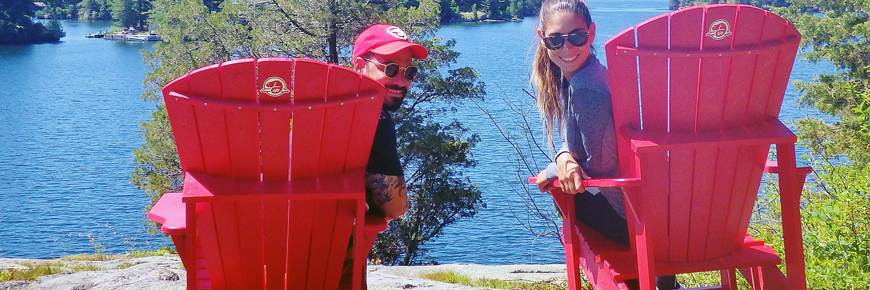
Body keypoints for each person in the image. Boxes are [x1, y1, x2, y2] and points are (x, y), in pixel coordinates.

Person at [529, 0, 680, 289]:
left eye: (576, 37)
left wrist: (550, 172)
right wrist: (563, 155)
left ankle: (634, 281)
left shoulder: (586, 88)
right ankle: (660, 280)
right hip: (660, 211)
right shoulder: (596, 73)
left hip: (632, 218)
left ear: (591, 33)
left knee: (564, 193)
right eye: (556, 40)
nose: (567, 48)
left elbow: (599, 168)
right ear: (542, 39)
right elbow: (579, 145)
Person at [339, 23, 428, 289]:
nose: (401, 81)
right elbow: (395, 205)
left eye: (409, 72)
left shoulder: (323, 106)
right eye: (389, 69)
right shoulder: (373, 116)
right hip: (332, 259)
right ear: (359, 66)